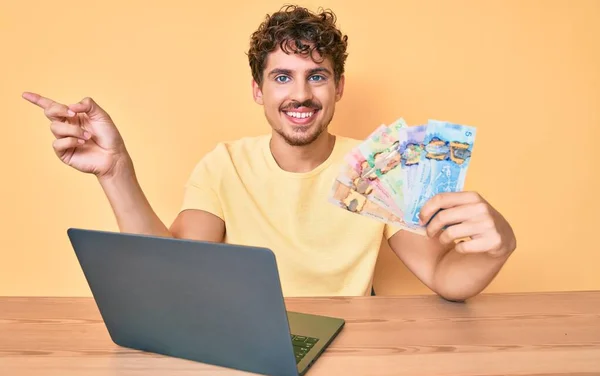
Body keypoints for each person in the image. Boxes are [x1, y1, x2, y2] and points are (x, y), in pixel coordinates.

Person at [22, 5, 516, 301]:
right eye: (282, 77)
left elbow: (446, 277)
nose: (299, 95)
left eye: (315, 76)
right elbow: (174, 270)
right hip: (248, 345)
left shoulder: (376, 169)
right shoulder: (225, 164)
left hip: (354, 348)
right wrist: (115, 171)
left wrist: (500, 245)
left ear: (338, 87)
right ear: (258, 91)